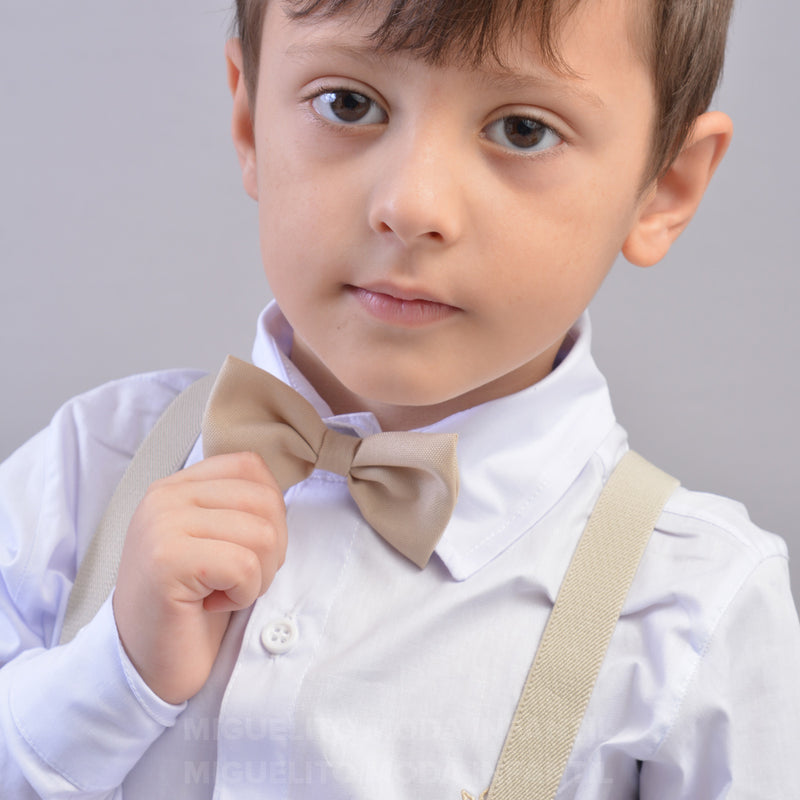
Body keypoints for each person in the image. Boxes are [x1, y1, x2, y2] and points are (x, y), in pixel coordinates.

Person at [1, 0, 798, 797]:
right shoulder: (84, 473)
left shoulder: (696, 609)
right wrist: (113, 676)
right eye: (348, 103)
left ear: (664, 185)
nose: (412, 206)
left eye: (523, 129)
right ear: (248, 121)